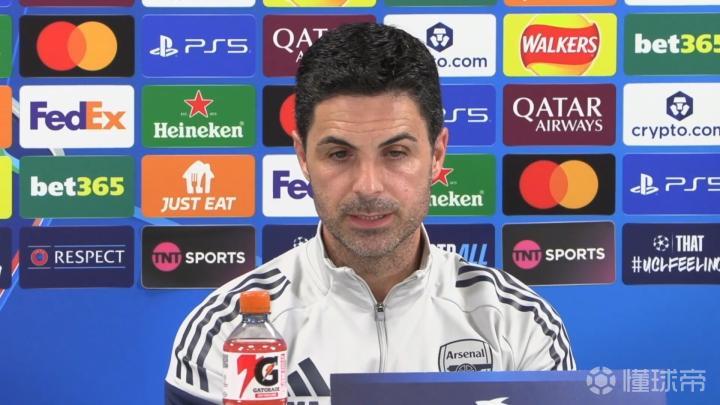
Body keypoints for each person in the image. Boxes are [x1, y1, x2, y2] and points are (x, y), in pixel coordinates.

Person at [165, 22, 575, 405]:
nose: (368, 186)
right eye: (339, 154)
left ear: (437, 155)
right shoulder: (228, 333)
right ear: (302, 157)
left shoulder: (519, 323)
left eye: (396, 153)